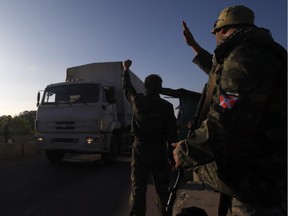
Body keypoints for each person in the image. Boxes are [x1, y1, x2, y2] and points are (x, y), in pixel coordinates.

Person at [173, 5, 287, 216]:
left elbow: (227, 117)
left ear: (223, 29)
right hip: (267, 176)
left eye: (215, 33)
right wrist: (194, 46)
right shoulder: (260, 53)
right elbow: (222, 76)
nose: (215, 38)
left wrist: (185, 150)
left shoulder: (244, 56)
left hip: (254, 187)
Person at [122, 59, 178, 216]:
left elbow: (127, 88)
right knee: (163, 189)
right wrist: (173, 159)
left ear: (145, 87)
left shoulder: (138, 101)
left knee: (138, 189)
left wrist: (125, 69)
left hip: (140, 151)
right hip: (159, 152)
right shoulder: (167, 107)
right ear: (160, 88)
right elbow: (172, 135)